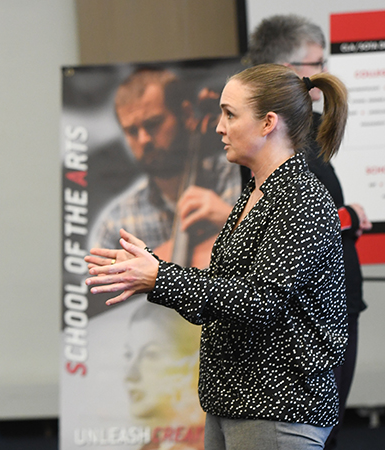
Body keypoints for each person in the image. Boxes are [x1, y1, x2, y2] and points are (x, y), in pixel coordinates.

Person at [85, 64, 349, 449]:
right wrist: (156, 270)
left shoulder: (300, 199)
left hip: (276, 405)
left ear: (267, 123)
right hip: (233, 402)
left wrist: (161, 278)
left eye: (230, 114)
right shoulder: (254, 195)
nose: (218, 127)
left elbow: (260, 301)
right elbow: (219, 298)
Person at [245, 15, 372, 449]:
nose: (322, 74)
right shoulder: (285, 139)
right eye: (314, 63)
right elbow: (306, 221)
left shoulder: (303, 133)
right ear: (285, 70)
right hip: (309, 315)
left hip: (322, 306)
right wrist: (349, 219)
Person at [90, 68, 241, 269]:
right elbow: (97, 292)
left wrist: (229, 219)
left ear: (187, 114)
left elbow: (281, 255)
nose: (144, 140)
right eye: (132, 131)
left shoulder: (238, 178)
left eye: (153, 124)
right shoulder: (115, 223)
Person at [125, 303, 204, 450]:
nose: (130, 376)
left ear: (191, 363)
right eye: (128, 355)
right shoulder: (153, 445)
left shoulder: (217, 440)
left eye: (151, 354)